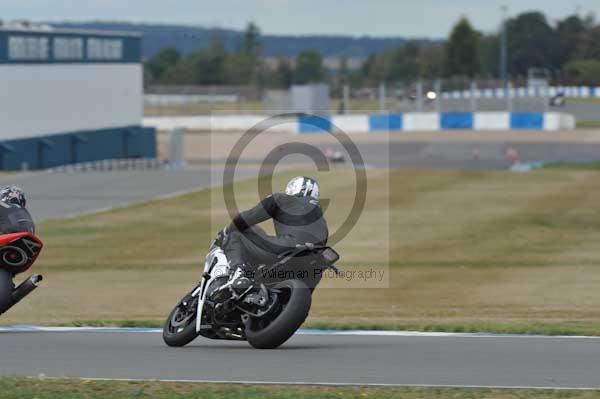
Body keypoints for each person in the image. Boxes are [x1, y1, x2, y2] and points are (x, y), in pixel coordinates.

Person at [221, 176, 328, 293]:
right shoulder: (321, 219)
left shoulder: (282, 199)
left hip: (288, 248)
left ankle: (238, 273)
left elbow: (248, 217)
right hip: (314, 262)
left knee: (236, 234)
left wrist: (228, 230)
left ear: (292, 189)